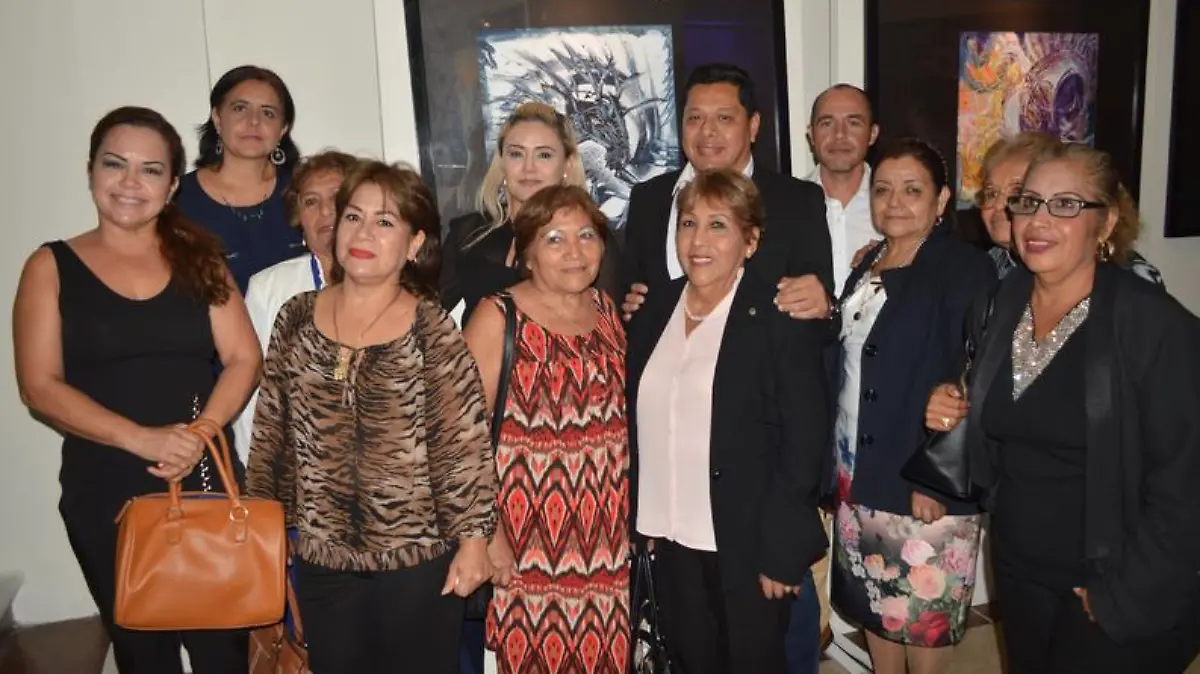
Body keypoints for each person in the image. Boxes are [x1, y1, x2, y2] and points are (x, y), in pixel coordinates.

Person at [927, 143, 1200, 673]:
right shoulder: (999, 303)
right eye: (1028, 202)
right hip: (1020, 568)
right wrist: (953, 401)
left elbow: (1185, 485)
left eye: (1066, 204)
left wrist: (1123, 594)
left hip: (1111, 578)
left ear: (1106, 222)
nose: (1038, 220)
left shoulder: (1153, 325)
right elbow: (1002, 412)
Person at [13, 106, 262, 673]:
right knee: (142, 652)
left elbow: (245, 358)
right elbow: (39, 386)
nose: (130, 182)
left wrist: (200, 433)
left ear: (171, 186)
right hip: (105, 487)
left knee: (223, 651)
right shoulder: (50, 266)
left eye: (150, 170)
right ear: (91, 171)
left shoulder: (201, 261)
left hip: (202, 476)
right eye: (115, 164)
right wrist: (140, 438)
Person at [620, 65, 834, 670]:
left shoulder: (774, 315)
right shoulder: (654, 309)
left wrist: (783, 547)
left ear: (751, 240)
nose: (699, 241)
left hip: (747, 538)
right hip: (670, 535)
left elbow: (802, 437)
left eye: (718, 226)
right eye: (689, 224)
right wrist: (644, 517)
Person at [246, 161, 497, 674]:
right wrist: (267, 526)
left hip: (417, 563)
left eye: (384, 222)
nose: (363, 234)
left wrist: (474, 542)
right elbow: (272, 433)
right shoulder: (296, 316)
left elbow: (463, 445)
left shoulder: (431, 328)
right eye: (353, 217)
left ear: (413, 243)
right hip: (323, 561)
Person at [829, 138, 995, 674]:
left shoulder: (962, 268)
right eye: (883, 190)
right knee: (876, 609)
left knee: (921, 623)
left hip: (920, 474)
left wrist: (937, 480)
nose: (894, 202)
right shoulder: (869, 261)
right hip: (858, 468)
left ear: (941, 199)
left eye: (912, 190)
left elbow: (975, 374)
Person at [463, 185, 630, 673]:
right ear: (527, 253)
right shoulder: (498, 316)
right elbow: (461, 435)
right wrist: (488, 532)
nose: (575, 251)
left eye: (586, 236)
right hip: (526, 540)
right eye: (554, 239)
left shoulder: (606, 311)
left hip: (608, 540)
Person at [621, 62, 835, 321]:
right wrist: (629, 310)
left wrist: (825, 306)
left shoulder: (798, 202)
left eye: (724, 118)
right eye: (695, 118)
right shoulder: (648, 199)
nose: (707, 131)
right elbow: (629, 296)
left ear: (753, 126)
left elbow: (822, 310)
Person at [441, 101, 621, 327]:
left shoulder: (592, 239)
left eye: (544, 155)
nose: (528, 168)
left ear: (567, 165)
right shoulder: (469, 232)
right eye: (516, 154)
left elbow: (608, 329)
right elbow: (424, 316)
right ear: (502, 163)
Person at [232, 149, 358, 463]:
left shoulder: (398, 282)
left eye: (337, 197)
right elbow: (252, 394)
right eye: (311, 202)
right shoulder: (269, 288)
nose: (326, 211)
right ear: (299, 217)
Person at [176, 65, 305, 294]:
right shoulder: (178, 199)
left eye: (268, 113)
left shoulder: (305, 192)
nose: (253, 121)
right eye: (239, 108)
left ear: (283, 129)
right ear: (217, 118)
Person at [975, 132, 1166, 286]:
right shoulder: (985, 265)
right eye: (991, 193)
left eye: (1018, 193)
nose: (999, 205)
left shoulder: (1133, 282)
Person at [806, 84, 880, 296]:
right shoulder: (784, 205)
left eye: (853, 123)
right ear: (811, 135)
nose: (839, 135)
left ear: (872, 134)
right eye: (827, 123)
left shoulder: (897, 207)